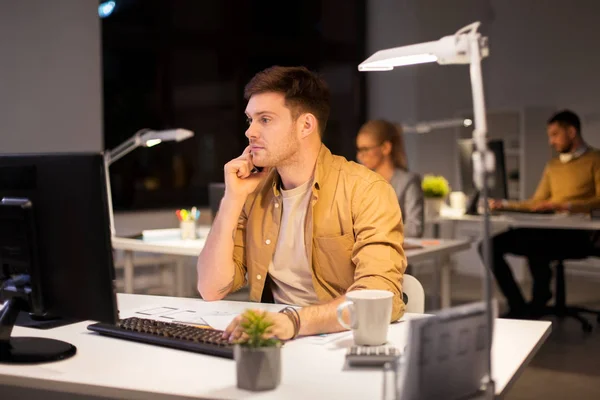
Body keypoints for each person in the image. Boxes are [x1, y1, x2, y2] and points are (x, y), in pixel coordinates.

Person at [196, 66, 407, 341]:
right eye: (250, 120)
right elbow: (211, 288)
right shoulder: (255, 193)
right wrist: (232, 198)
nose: (251, 132)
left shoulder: (366, 190)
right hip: (280, 336)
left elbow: (381, 295)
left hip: (340, 338)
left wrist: (294, 322)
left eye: (265, 120)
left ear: (306, 125)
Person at [481, 110, 600, 319]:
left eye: (555, 134)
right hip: (551, 228)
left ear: (571, 132)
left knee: (538, 245)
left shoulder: (595, 159)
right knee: (489, 246)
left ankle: (539, 300)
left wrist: (568, 205)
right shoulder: (553, 165)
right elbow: (537, 203)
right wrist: (504, 204)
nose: (551, 141)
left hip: (580, 235)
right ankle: (520, 306)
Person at [356, 120, 424, 238]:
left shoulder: (408, 181)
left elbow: (415, 228)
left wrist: (373, 233)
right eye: (359, 150)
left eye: (365, 149)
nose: (360, 156)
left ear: (385, 148)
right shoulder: (363, 182)